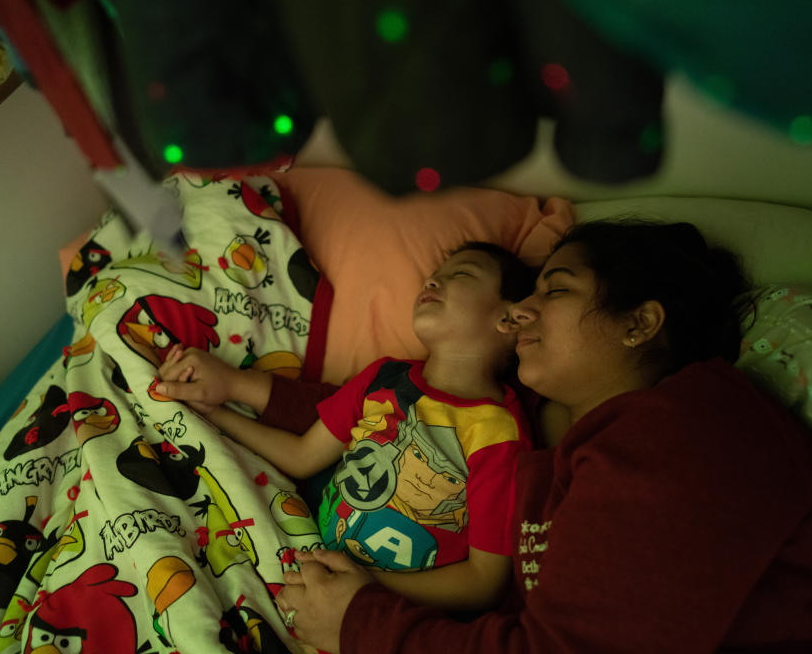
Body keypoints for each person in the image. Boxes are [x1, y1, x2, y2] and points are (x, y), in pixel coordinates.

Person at [273, 220, 812, 653]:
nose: (521, 310)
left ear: (639, 324)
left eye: (557, 289)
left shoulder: (693, 428)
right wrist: (244, 392)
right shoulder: (557, 435)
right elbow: (388, 411)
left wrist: (360, 622)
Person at [155, 242, 536, 612]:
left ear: (509, 318)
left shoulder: (498, 433)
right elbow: (302, 456)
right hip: (305, 568)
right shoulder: (384, 377)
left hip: (384, 610)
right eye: (434, 275)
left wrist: (366, 589)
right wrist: (214, 412)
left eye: (462, 274)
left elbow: (484, 581)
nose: (433, 282)